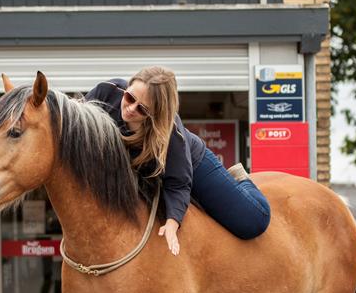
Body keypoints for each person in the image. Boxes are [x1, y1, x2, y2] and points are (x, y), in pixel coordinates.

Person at [84, 66, 270, 255]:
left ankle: (240, 181)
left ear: (156, 115)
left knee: (253, 222)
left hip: (190, 166)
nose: (130, 109)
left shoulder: (172, 135)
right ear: (127, 88)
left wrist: (172, 224)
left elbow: (178, 184)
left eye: (142, 109)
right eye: (130, 98)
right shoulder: (107, 91)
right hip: (141, 172)